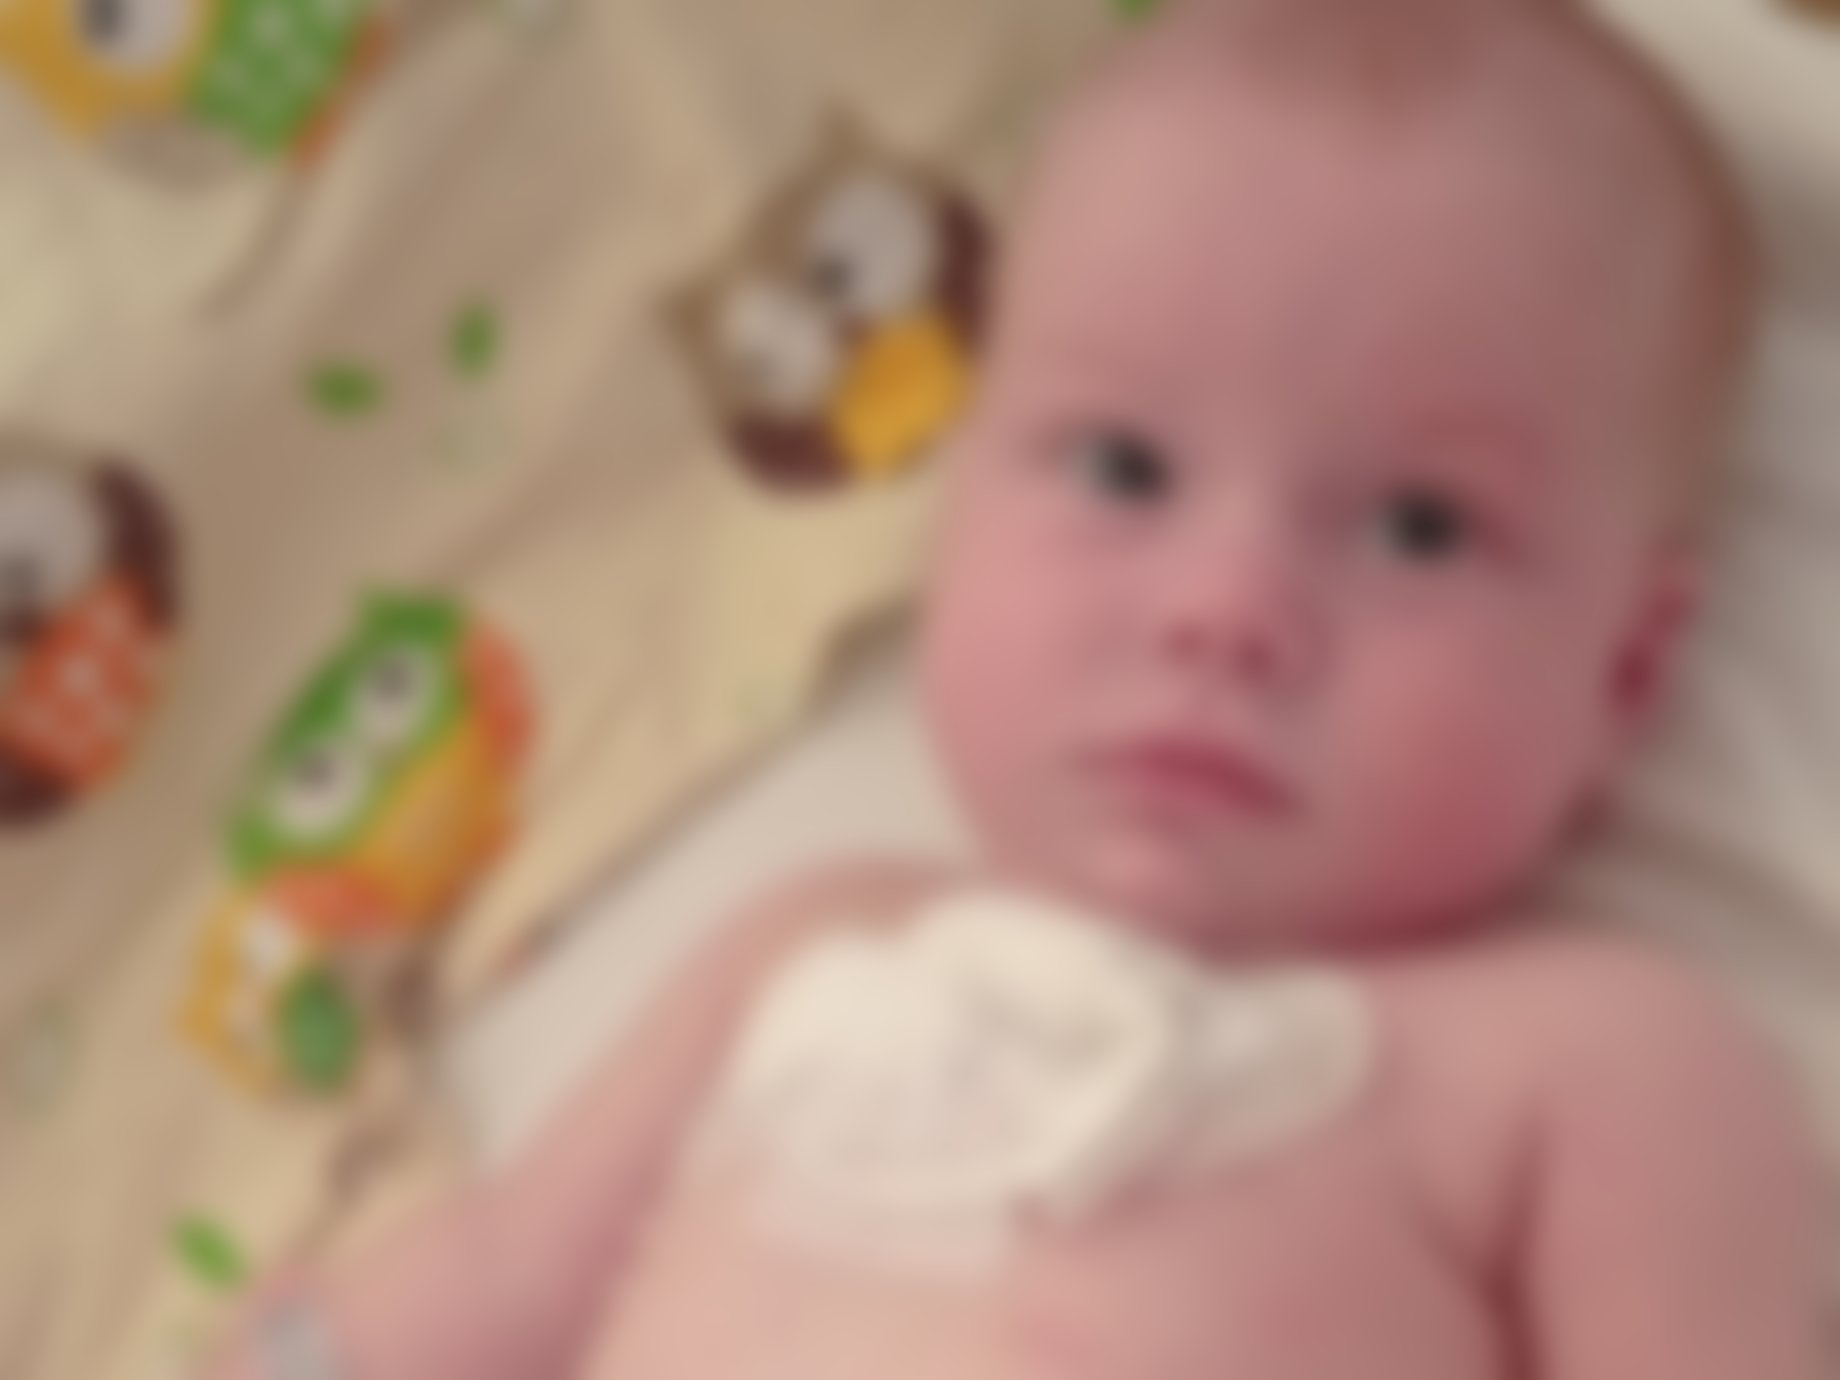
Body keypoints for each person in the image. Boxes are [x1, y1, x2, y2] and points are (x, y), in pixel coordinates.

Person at [209, 0, 1827, 1375]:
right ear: (958, 503)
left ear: (1626, 670)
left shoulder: (1590, 1071)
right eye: (1124, 468)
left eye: (1418, 526)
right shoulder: (814, 938)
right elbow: (503, 1276)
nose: (1223, 613)